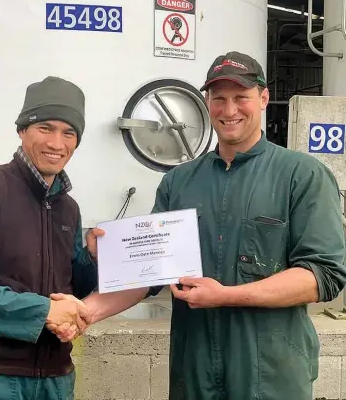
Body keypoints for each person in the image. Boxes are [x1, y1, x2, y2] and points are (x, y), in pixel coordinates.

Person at [51, 52, 346, 400]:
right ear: (207, 103)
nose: (229, 109)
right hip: (194, 375)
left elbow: (323, 276)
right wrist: (90, 304)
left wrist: (226, 296)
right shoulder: (179, 182)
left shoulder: (303, 175)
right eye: (219, 99)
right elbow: (150, 274)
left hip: (271, 378)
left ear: (264, 99)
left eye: (241, 98)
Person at [0, 76, 103, 400]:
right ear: (22, 129)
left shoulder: (68, 208)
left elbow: (67, 290)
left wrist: (90, 259)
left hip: (55, 378)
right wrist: (40, 312)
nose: (57, 143)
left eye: (68, 133)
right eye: (45, 128)